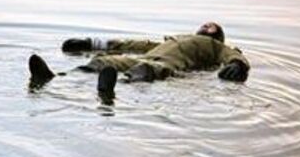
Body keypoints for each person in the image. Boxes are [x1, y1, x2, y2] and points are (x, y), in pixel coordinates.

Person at [29, 21, 250, 99]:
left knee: (146, 68)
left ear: (218, 35)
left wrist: (236, 64)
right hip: (147, 55)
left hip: (165, 65)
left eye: (212, 26)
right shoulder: (173, 39)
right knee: (104, 62)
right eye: (205, 24)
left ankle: (113, 87)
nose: (206, 25)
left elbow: (232, 55)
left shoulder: (214, 46)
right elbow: (132, 44)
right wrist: (91, 43)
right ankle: (56, 77)